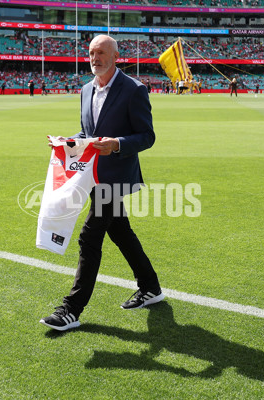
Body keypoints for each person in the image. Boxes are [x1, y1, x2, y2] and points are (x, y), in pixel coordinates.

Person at [40, 35, 163, 331]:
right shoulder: (85, 90)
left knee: (89, 236)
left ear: (115, 56)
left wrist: (118, 144)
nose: (95, 57)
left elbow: (147, 136)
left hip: (117, 177)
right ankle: (151, 287)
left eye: (102, 52)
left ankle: (71, 309)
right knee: (120, 232)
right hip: (91, 176)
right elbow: (87, 132)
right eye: (92, 53)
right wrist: (67, 141)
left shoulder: (134, 90)